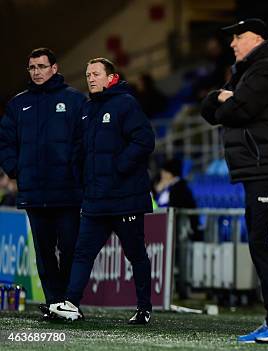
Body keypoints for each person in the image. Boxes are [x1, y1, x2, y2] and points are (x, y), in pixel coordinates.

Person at [200, 18, 268, 343]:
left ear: (258, 38)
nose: (232, 43)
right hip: (259, 170)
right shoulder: (248, 72)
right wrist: (221, 98)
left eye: (238, 37)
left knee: (266, 245)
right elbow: (211, 109)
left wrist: (223, 100)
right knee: (262, 245)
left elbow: (237, 111)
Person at [49, 58, 155, 325]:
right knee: (81, 251)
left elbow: (145, 140)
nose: (91, 79)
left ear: (111, 78)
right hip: (96, 198)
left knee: (135, 254)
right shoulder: (87, 109)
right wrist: (80, 176)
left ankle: (144, 308)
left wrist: (119, 166)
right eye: (87, 75)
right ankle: (71, 304)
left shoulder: (126, 104)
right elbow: (80, 149)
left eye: (96, 74)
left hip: (125, 199)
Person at [0, 48, 86, 320]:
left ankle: (68, 301)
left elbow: (84, 142)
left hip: (68, 191)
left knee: (70, 247)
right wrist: (16, 171)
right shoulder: (17, 104)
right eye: (31, 67)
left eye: (41, 66)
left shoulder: (74, 100)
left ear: (54, 68)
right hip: (34, 191)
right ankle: (54, 301)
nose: (36, 72)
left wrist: (76, 172)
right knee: (44, 251)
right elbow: (5, 142)